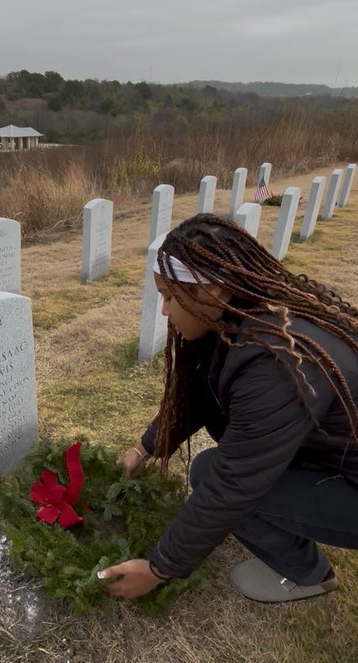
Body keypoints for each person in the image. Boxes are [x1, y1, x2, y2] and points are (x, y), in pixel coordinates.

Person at [98, 212, 358, 603]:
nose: (165, 311)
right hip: (337, 457)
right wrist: (146, 447)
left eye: (170, 296)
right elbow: (201, 395)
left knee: (210, 474)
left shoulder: (277, 361)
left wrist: (158, 568)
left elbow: (235, 484)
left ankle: (308, 576)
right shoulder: (242, 317)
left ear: (214, 290)